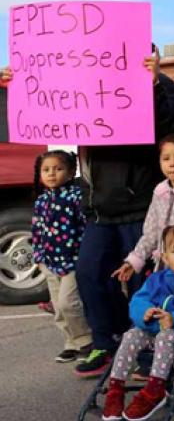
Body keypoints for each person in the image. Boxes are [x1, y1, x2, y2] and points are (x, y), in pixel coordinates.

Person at [1, 45, 174, 378]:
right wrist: (21, 83)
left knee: (141, 285)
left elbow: (173, 125)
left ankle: (149, 349)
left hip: (138, 206)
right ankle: (105, 343)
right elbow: (45, 112)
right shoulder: (86, 88)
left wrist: (153, 84)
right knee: (90, 276)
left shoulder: (161, 85)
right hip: (98, 209)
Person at [101, 223, 174, 421]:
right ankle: (115, 389)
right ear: (165, 258)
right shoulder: (158, 279)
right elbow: (138, 301)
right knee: (131, 334)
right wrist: (145, 313)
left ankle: (156, 390)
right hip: (154, 329)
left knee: (166, 336)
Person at [111, 132, 174, 283]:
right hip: (164, 268)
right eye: (166, 158)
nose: (172, 163)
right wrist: (133, 261)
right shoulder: (160, 192)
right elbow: (151, 233)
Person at [31, 150, 92, 363]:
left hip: (72, 260)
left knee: (69, 302)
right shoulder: (41, 201)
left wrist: (85, 253)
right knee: (58, 306)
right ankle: (71, 343)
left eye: (58, 169)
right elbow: (37, 230)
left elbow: (85, 226)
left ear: (70, 172)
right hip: (49, 262)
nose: (51, 174)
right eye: (46, 170)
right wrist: (38, 257)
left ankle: (85, 340)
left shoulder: (75, 196)